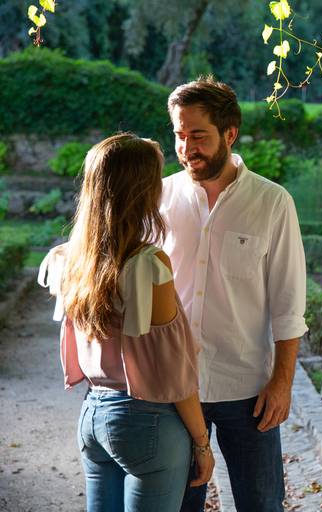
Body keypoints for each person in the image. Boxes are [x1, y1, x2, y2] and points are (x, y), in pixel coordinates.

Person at [38, 133, 215, 511]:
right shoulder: (148, 265)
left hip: (93, 414)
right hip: (147, 420)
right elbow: (171, 370)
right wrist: (202, 442)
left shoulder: (72, 260)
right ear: (142, 192)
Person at [161, 77, 308, 512]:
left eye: (198, 136)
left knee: (261, 504)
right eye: (179, 135)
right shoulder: (160, 197)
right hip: (175, 387)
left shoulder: (273, 203)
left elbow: (288, 302)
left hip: (249, 390)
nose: (187, 147)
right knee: (179, 505)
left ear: (229, 133)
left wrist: (282, 383)